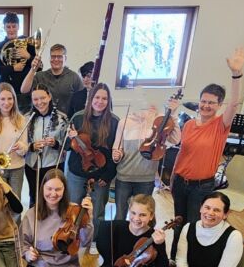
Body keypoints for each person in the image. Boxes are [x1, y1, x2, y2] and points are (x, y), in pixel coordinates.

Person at [170, 48, 244, 261]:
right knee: (178, 222)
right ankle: (174, 258)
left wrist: (236, 74)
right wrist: (172, 178)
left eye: (211, 102)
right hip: (180, 182)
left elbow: (234, 102)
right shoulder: (188, 125)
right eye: (203, 101)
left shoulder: (220, 125)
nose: (205, 105)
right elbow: (182, 153)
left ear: (219, 105)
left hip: (201, 186)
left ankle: (189, 261)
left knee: (194, 225)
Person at [20, 168, 93, 267]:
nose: (53, 194)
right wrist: (28, 254)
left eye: (58, 189)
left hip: (68, 266)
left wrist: (88, 218)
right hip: (40, 266)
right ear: (42, 189)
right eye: (49, 189)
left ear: (64, 190)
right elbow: (23, 244)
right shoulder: (31, 214)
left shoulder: (75, 211)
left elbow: (86, 242)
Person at [65, 82, 119, 252]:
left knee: (97, 211)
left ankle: (95, 241)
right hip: (77, 172)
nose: (100, 101)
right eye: (97, 97)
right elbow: (67, 148)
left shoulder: (114, 121)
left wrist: (108, 175)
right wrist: (70, 138)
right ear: (90, 98)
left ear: (108, 101)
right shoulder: (78, 117)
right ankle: (72, 238)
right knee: (74, 207)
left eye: (104, 98)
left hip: (100, 174)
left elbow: (115, 150)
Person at [96, 194, 171, 267]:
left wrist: (160, 245)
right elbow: (109, 256)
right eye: (133, 213)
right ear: (129, 211)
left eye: (142, 215)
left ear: (151, 216)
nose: (136, 218)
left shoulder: (155, 237)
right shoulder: (118, 228)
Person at [111, 93, 180, 219]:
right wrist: (117, 155)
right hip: (124, 177)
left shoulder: (158, 121)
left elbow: (175, 139)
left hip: (146, 179)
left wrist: (173, 115)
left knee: (143, 216)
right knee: (120, 214)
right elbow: (117, 147)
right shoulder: (124, 122)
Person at [0, 83, 29, 200]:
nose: (6, 103)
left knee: (15, 202)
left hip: (17, 168)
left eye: (9, 98)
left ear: (14, 100)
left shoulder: (22, 120)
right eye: (2, 99)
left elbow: (25, 148)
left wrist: (21, 147)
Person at [25, 84, 67, 207]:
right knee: (34, 197)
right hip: (32, 165)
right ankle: (34, 218)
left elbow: (67, 146)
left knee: (53, 199)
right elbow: (21, 143)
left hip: (54, 164)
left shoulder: (62, 118)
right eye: (35, 99)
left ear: (49, 97)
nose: (39, 102)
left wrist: (56, 144)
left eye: (43, 98)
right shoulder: (26, 118)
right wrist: (31, 146)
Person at [21, 44, 84, 115]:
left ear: (65, 58)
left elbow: (81, 102)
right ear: (49, 58)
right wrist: (33, 69)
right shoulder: (40, 76)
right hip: (43, 119)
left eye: (59, 57)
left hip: (66, 119)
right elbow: (24, 90)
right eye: (53, 56)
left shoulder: (74, 77)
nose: (56, 59)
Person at [0, 12, 37, 112]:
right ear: (4, 27)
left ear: (18, 26)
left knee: (25, 117)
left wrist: (28, 56)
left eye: (14, 26)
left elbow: (39, 67)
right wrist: (13, 68)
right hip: (6, 89)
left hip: (25, 90)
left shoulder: (28, 43)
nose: (11, 30)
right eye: (8, 27)